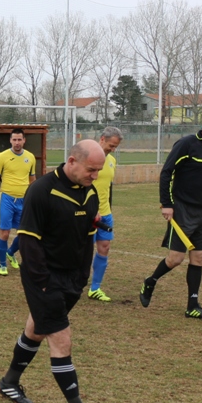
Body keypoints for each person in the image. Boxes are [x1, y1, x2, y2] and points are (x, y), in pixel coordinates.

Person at [0, 140, 108, 403]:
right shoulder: (42, 191)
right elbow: (28, 243)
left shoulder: (90, 193)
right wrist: (43, 284)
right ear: (72, 161)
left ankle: (9, 382)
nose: (94, 175)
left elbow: (88, 239)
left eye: (99, 170)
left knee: (37, 328)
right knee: (61, 338)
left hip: (72, 279)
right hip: (43, 277)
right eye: (91, 169)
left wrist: (83, 277)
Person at [139, 112, 202, 320]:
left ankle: (192, 306)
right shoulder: (187, 144)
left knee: (199, 257)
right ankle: (151, 281)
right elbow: (167, 172)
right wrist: (167, 204)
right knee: (176, 259)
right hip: (182, 210)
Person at [0, 127, 37, 276]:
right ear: (10, 140)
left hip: (24, 200)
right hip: (7, 198)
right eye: (14, 139)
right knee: (4, 233)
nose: (17, 142)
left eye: (19, 139)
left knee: (24, 234)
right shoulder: (2, 157)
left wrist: (34, 199)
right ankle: (2, 265)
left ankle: (10, 252)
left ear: (24, 140)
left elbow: (32, 180)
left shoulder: (30, 157)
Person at [88, 127, 123, 301]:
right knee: (82, 252)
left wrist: (106, 209)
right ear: (102, 139)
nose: (113, 149)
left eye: (115, 146)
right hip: (87, 214)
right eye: (111, 145)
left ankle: (95, 288)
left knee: (104, 248)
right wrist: (90, 210)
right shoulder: (86, 156)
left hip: (105, 214)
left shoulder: (111, 161)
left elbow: (107, 188)